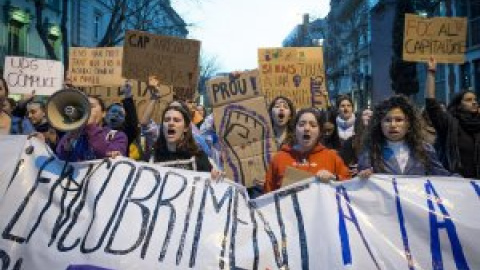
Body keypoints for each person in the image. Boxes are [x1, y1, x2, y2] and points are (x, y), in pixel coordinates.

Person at [358, 95, 453, 177]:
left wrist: (463, 182)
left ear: (408, 123)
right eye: (387, 120)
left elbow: (442, 176)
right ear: (380, 124)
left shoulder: (424, 149)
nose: (393, 125)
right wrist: (364, 175)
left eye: (399, 120)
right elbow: (361, 180)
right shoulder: (370, 151)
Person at [264, 108, 350, 193]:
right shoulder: (279, 159)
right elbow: (267, 195)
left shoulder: (332, 157)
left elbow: (349, 185)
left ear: (320, 131)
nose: (307, 128)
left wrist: (334, 178)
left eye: (313, 125)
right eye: (301, 124)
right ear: (295, 130)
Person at [425, 57, 480, 178]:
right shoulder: (449, 123)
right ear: (458, 104)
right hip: (454, 185)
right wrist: (431, 73)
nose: (474, 102)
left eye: (475, 100)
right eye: (469, 100)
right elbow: (431, 105)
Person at [56, 95, 128, 162]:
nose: (87, 110)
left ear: (103, 113)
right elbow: (61, 157)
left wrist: (91, 127)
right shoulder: (75, 133)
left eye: (91, 106)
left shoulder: (117, 136)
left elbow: (109, 156)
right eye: (83, 107)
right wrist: (71, 137)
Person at [154, 105, 213, 173]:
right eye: (167, 120)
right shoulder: (152, 157)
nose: (170, 123)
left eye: (176, 120)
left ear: (186, 128)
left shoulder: (199, 157)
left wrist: (215, 177)